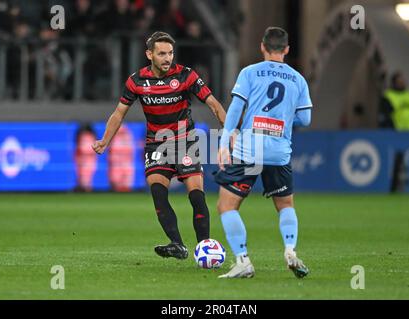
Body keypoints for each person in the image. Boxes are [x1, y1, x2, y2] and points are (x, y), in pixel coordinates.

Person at [92, 31, 226, 260]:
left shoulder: (186, 76)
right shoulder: (136, 81)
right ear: (149, 54)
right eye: (162, 53)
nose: (167, 58)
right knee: (158, 192)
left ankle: (206, 248)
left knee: (196, 196)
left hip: (186, 141)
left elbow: (213, 104)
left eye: (170, 53)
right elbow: (119, 113)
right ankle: (177, 245)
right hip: (157, 144)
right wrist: (105, 140)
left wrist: (231, 133)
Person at [215, 27, 311, 279]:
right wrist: (282, 118)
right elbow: (306, 118)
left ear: (262, 47)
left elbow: (236, 107)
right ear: (287, 49)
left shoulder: (249, 73)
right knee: (286, 205)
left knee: (227, 206)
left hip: (249, 149)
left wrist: (225, 140)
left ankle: (243, 261)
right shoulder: (298, 79)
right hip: (279, 150)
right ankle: (290, 250)